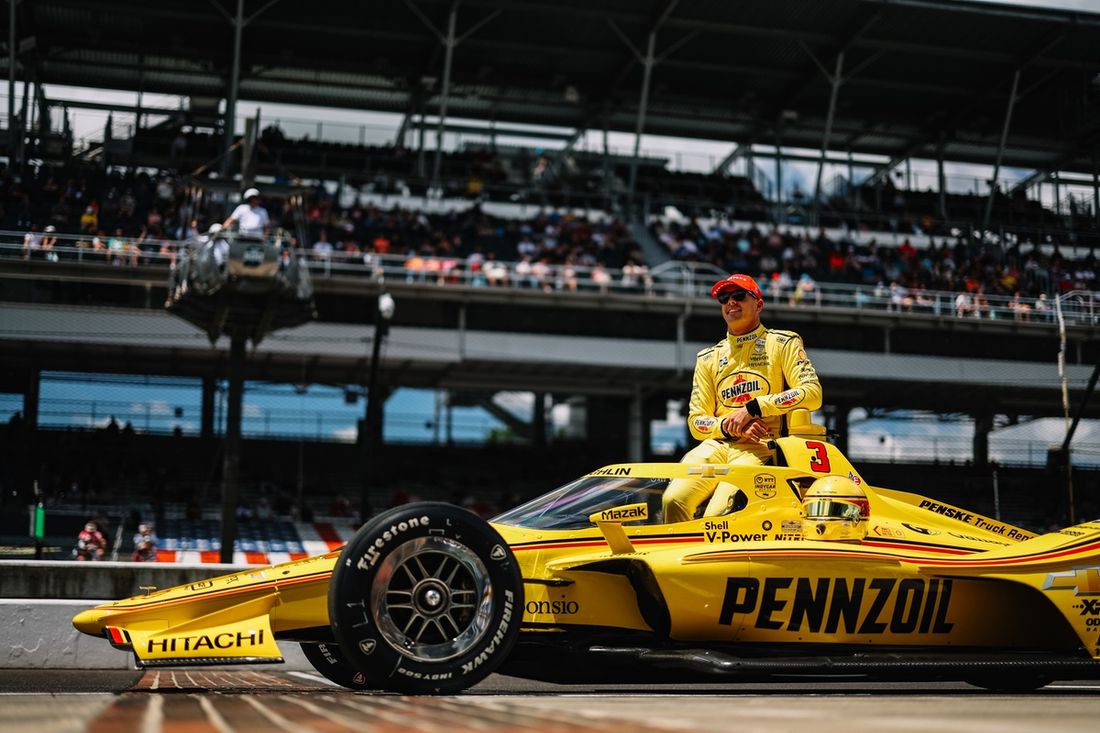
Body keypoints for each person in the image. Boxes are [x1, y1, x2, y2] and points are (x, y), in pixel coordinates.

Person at [663, 273, 822, 523]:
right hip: (718, 445)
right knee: (673, 501)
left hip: (763, 445)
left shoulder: (783, 343)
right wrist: (729, 426)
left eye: (739, 296)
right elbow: (696, 422)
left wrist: (753, 408)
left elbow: (812, 393)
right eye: (724, 298)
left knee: (718, 515)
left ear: (758, 304)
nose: (730, 303)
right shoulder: (708, 358)